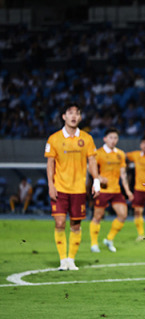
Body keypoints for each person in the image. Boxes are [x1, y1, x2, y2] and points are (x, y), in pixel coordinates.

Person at [45, 103, 105, 271]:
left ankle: (71, 259)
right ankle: (62, 259)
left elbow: (92, 161)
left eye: (77, 113)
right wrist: (51, 184)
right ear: (64, 116)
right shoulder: (54, 138)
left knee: (76, 225)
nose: (73, 116)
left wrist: (96, 181)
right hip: (60, 188)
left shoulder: (86, 138)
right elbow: (50, 164)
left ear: (80, 117)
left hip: (79, 189)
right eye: (70, 113)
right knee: (59, 222)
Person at [89, 128, 134, 253]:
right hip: (102, 191)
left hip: (116, 190)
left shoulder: (120, 154)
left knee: (123, 215)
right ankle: (94, 244)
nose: (113, 140)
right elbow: (90, 168)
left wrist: (128, 191)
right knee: (98, 216)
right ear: (105, 139)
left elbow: (123, 174)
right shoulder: (98, 153)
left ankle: (109, 239)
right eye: (111, 138)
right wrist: (98, 177)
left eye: (115, 138)